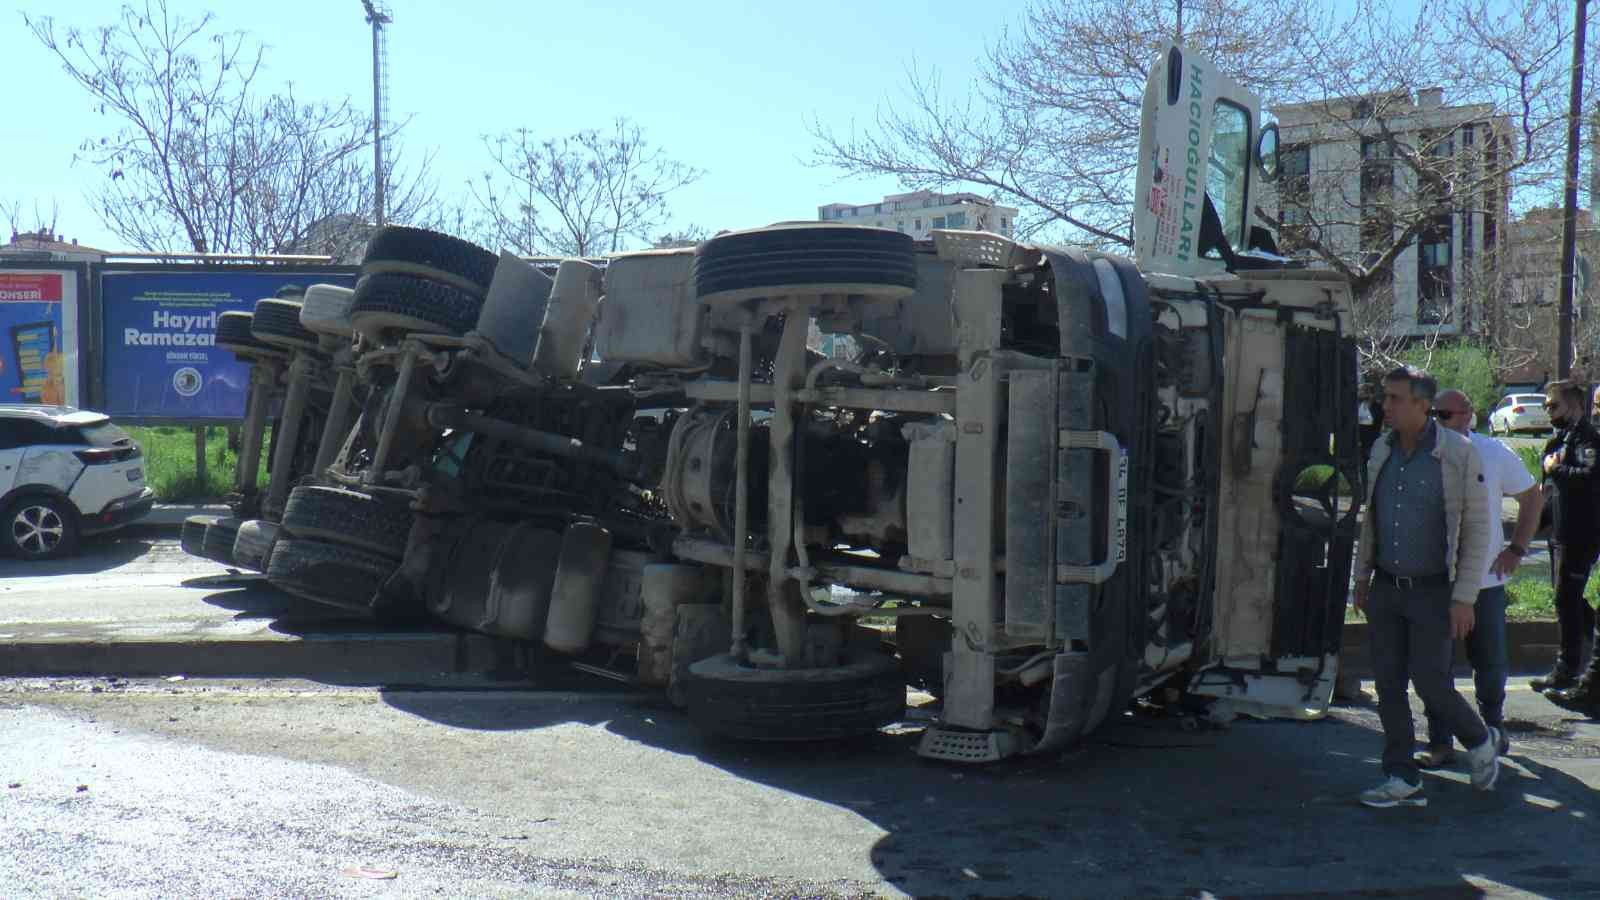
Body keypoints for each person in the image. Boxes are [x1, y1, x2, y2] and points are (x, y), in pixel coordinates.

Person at [1353, 366, 1501, 808]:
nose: (1386, 406)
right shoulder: (1382, 448)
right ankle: (1402, 775)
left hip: (1434, 590)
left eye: (1396, 398)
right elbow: (1371, 519)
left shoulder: (1457, 453)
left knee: (1432, 683)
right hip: (1385, 586)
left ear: (1422, 405)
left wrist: (1464, 597)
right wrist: (1362, 577)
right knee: (1388, 683)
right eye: (1385, 397)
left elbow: (1476, 529)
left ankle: (1480, 740)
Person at [1414, 390, 1542, 767]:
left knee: (1490, 665)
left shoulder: (1493, 452)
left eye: (1445, 414)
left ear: (1468, 416)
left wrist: (1517, 549)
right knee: (1434, 668)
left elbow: (1532, 496)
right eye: (1433, 415)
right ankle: (1439, 741)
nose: (1437, 422)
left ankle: (1491, 732)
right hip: (1435, 582)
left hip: (1485, 582)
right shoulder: (1420, 453)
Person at [1529, 381, 1600, 697]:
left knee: (1565, 599)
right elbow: (1551, 496)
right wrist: (1533, 525)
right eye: (1546, 405)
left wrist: (1557, 470)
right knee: (1566, 600)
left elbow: (1589, 478)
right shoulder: (1558, 441)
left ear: (1574, 406)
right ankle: (1581, 658)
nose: (1548, 411)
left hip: (1580, 533)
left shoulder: (1588, 439)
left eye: (1554, 405)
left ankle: (1568, 669)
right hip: (1559, 532)